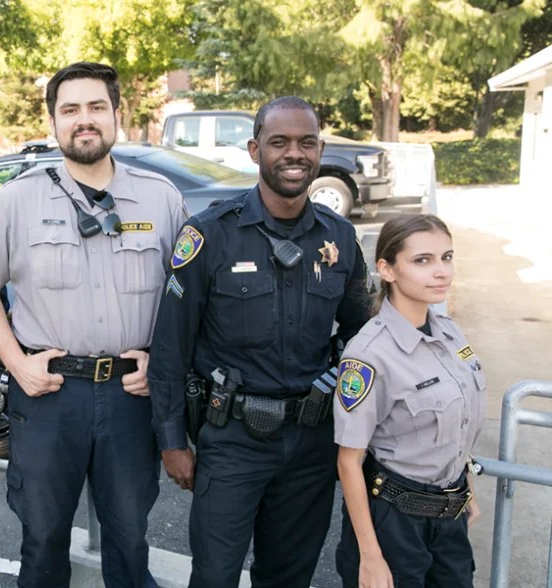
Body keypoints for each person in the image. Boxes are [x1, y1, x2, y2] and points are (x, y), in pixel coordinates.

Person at [0, 62, 188, 587]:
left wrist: (162, 361)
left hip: (131, 397)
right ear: (54, 122)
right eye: (70, 110)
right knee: (42, 539)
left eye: (96, 107)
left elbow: (186, 296)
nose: (84, 120)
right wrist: (17, 365)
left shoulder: (161, 198)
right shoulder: (18, 199)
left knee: (129, 536)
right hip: (49, 396)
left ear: (116, 115)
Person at [147, 96, 371, 587]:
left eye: (307, 143)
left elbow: (363, 334)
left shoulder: (339, 238)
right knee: (215, 576)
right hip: (232, 440)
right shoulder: (209, 235)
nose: (295, 154)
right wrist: (171, 441)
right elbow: (170, 346)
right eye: (279, 142)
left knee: (289, 577)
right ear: (255, 150)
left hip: (311, 442)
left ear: (320, 150)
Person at [334, 214, 485, 588]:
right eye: (423, 260)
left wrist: (465, 487)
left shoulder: (450, 332)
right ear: (387, 269)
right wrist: (371, 557)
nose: (441, 271)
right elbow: (349, 461)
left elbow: (460, 420)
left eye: (446, 257)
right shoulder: (369, 355)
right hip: (395, 523)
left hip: (450, 515)